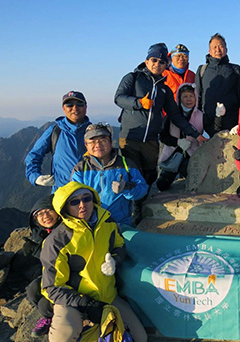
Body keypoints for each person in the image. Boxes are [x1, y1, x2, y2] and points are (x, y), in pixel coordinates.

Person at [40, 182, 147, 342]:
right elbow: (51, 288)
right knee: (63, 336)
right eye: (74, 202)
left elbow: (119, 245)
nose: (82, 205)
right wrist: (86, 303)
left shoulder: (107, 222)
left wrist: (115, 259)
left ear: (94, 200)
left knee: (140, 338)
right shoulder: (57, 241)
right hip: (73, 301)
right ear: (64, 208)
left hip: (107, 296)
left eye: (87, 198)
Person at [114, 43, 204, 218]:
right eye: (154, 60)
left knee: (149, 175)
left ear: (166, 65)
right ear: (147, 61)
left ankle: (141, 208)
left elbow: (176, 116)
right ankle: (127, 213)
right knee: (130, 176)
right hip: (130, 137)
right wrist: (139, 103)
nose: (157, 64)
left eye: (162, 61)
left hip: (151, 140)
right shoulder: (133, 78)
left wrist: (196, 134)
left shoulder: (164, 88)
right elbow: (118, 98)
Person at [71, 122, 148, 226]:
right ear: (86, 145)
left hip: (120, 223)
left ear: (111, 142)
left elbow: (142, 189)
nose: (98, 145)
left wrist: (126, 187)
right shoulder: (80, 169)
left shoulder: (126, 164)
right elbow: (73, 198)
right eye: (92, 142)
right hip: (91, 225)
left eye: (103, 140)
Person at [25, 91, 91, 191]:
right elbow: (34, 155)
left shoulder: (94, 132)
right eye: (69, 105)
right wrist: (35, 177)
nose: (75, 108)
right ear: (63, 108)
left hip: (90, 194)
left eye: (79, 104)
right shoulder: (55, 131)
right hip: (62, 193)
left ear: (85, 107)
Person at [23, 195, 61, 337]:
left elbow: (59, 258)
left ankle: (55, 315)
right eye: (39, 214)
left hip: (68, 274)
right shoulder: (42, 233)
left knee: (44, 305)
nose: (45, 216)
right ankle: (48, 317)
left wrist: (37, 250)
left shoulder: (65, 229)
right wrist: (35, 248)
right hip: (52, 273)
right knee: (32, 290)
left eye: (48, 210)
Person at [195, 33, 240, 136]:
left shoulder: (235, 69)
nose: (218, 50)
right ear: (209, 51)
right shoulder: (202, 70)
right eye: (214, 47)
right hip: (208, 124)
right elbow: (197, 98)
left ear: (226, 49)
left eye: (221, 46)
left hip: (232, 123)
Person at [157, 83, 203, 191]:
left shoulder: (201, 116)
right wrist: (177, 142)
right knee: (162, 184)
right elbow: (163, 136)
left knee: (192, 181)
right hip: (172, 155)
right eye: (185, 96)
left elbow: (212, 129)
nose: (188, 99)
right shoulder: (171, 116)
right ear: (179, 98)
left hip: (192, 155)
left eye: (191, 96)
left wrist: (219, 116)